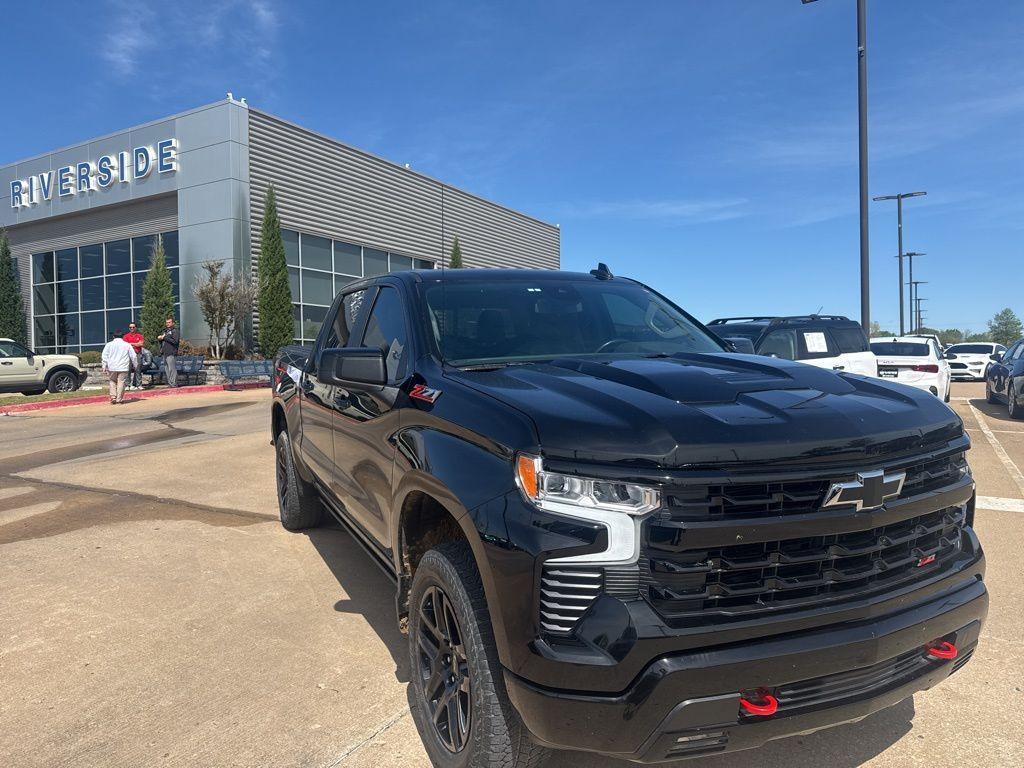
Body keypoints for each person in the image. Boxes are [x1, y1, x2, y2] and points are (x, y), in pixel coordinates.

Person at [100, 330, 138, 405]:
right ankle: (119, 399)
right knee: (121, 382)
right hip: (123, 366)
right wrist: (135, 365)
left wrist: (104, 365)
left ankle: (113, 397)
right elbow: (133, 356)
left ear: (113, 336)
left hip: (112, 366)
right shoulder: (127, 345)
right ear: (122, 336)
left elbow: (104, 356)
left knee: (112, 381)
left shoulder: (109, 344)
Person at [157, 317, 180, 387]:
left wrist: (164, 337)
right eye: (167, 322)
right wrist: (160, 339)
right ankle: (170, 384)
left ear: (173, 323)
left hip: (171, 353)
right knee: (167, 370)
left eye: (169, 322)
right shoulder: (165, 331)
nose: (168, 324)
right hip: (165, 353)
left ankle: (174, 384)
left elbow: (175, 341)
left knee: (172, 369)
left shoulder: (175, 331)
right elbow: (164, 341)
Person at [123, 321, 145, 390]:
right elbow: (125, 345)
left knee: (138, 369)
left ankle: (139, 385)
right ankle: (127, 385)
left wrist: (131, 344)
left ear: (136, 328)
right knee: (128, 370)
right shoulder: (126, 336)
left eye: (133, 327)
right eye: (130, 327)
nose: (132, 328)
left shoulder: (140, 336)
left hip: (137, 354)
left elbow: (141, 344)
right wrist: (136, 344)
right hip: (128, 355)